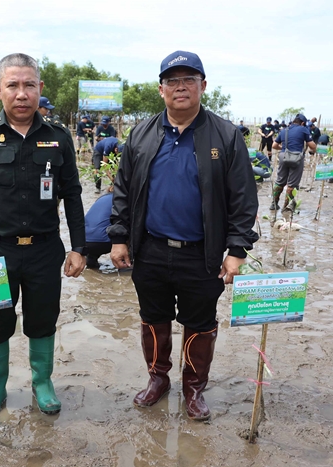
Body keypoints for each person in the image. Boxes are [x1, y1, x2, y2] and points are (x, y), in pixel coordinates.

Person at [108, 50, 259, 421]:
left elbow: (243, 196)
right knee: (153, 319)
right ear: (161, 89)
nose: (180, 87)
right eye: (172, 81)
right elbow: (123, 189)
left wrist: (237, 250)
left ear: (203, 86)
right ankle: (158, 379)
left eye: (189, 80)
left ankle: (193, 388)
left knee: (201, 323)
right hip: (151, 249)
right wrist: (119, 237)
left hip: (202, 254)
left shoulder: (225, 136)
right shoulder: (142, 134)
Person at [0, 53, 86, 420]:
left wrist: (79, 248)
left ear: (40, 89)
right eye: (13, 85)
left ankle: (43, 383)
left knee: (43, 320)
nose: (22, 93)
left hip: (44, 250)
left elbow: (72, 193)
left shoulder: (58, 138)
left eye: (29, 85)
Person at [270, 114, 317, 211]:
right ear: (303, 123)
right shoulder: (303, 129)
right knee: (292, 184)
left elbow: (274, 145)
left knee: (279, 181)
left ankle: (274, 204)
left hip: (284, 156)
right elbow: (312, 145)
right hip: (296, 158)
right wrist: (314, 148)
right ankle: (286, 207)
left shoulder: (284, 130)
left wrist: (283, 149)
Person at [85, 192, 114, 270]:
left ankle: (91, 260)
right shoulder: (122, 199)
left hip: (84, 241)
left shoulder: (102, 197)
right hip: (103, 242)